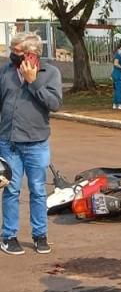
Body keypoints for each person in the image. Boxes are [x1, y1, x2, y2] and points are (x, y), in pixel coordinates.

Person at [0, 32, 63, 255]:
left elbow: (55, 104)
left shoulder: (49, 73)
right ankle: (8, 235)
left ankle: (40, 235)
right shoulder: (5, 72)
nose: (11, 55)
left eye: (16, 51)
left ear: (31, 53)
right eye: (11, 50)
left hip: (36, 143)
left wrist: (33, 82)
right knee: (11, 189)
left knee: (37, 190)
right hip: (8, 143)